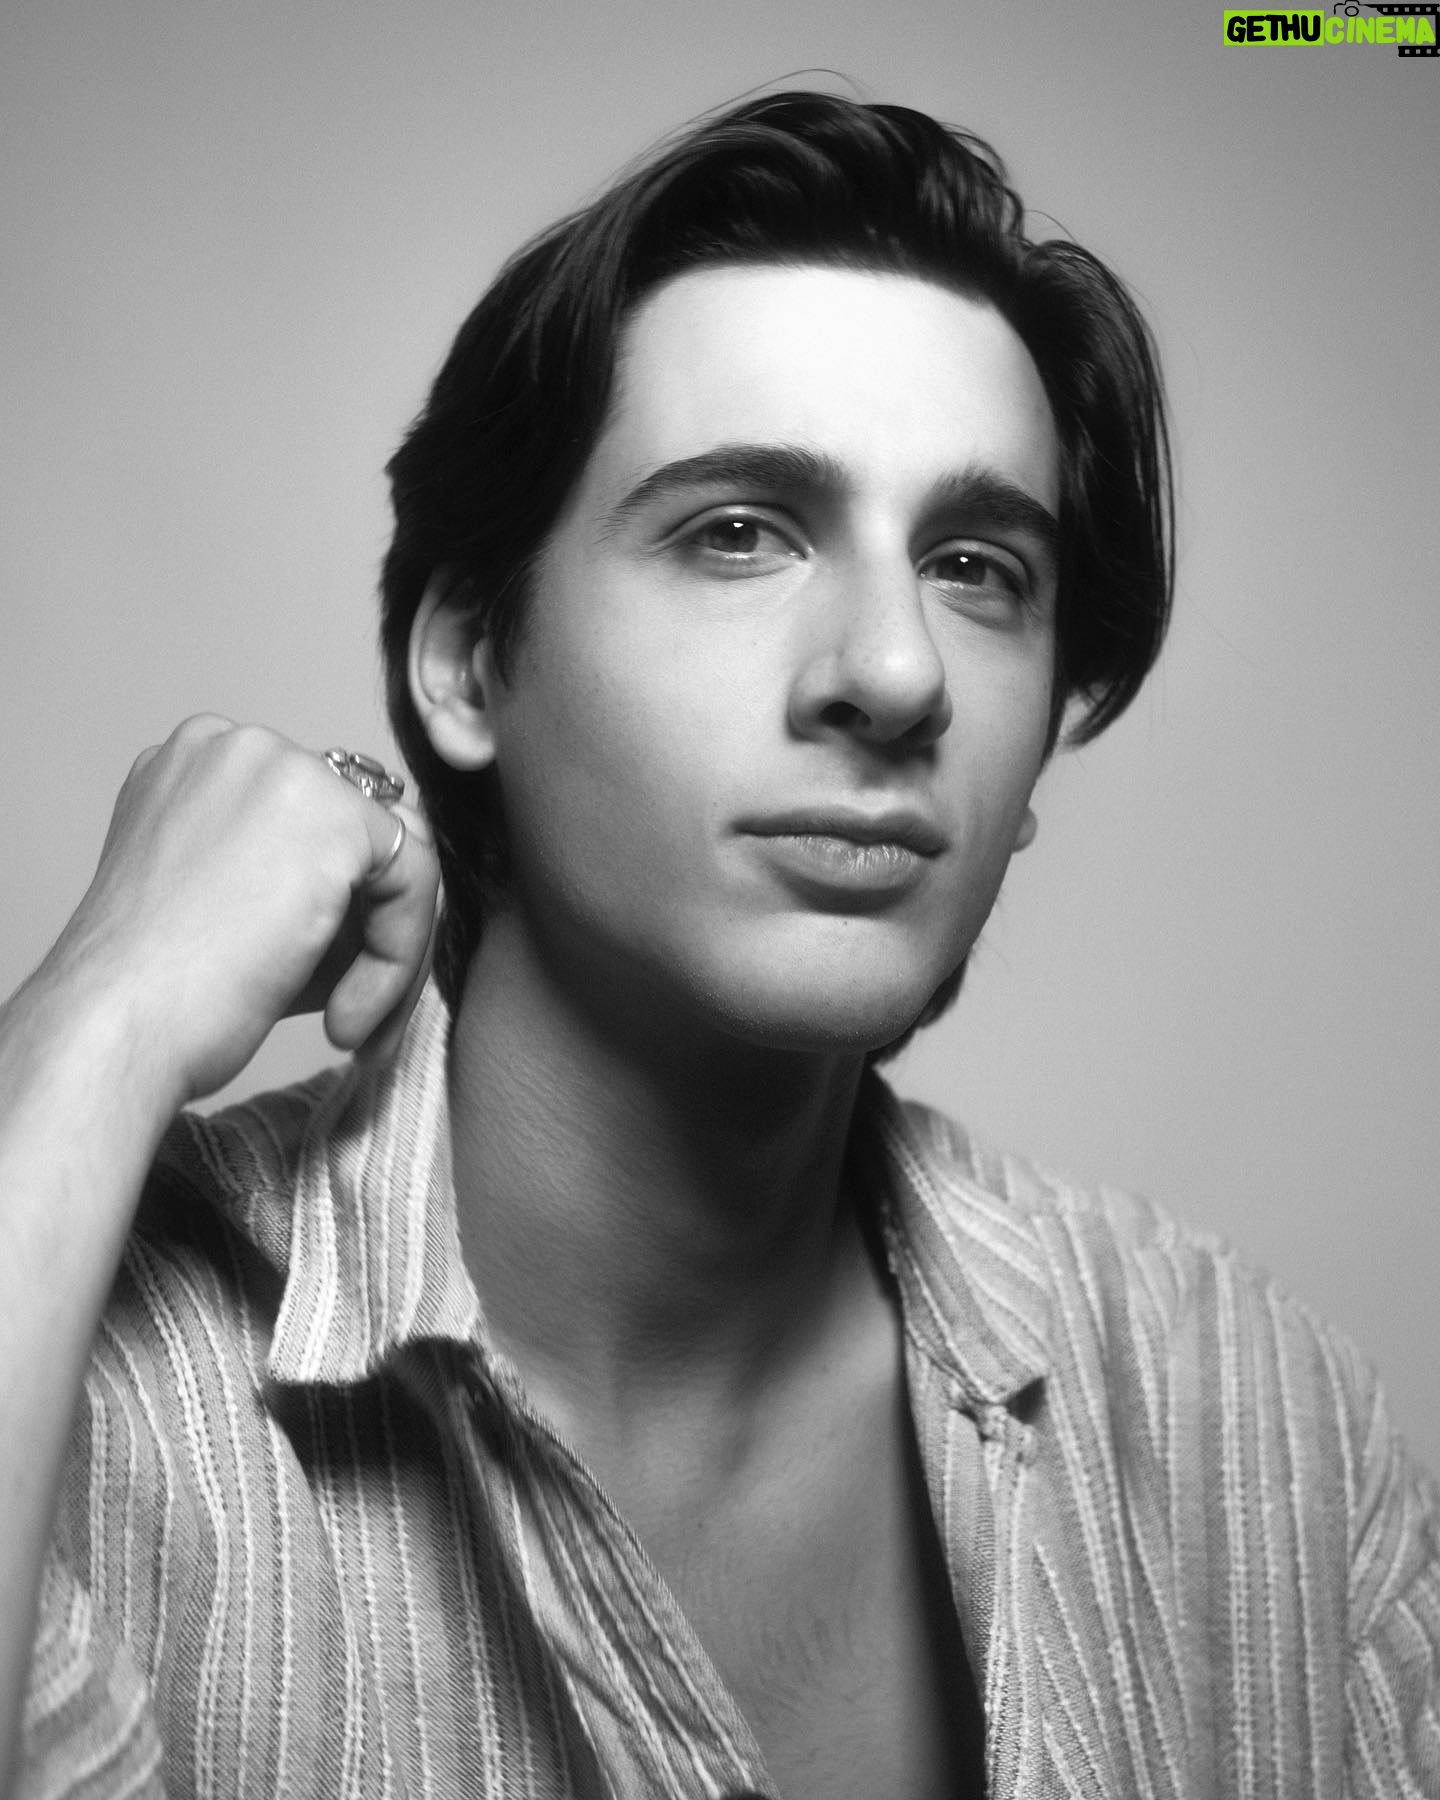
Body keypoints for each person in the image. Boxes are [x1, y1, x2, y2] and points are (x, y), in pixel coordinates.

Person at [1, 90, 1435, 1800]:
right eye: (738, 532)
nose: (896, 674)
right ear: (469, 662)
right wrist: (94, 1022)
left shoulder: (1264, 1427)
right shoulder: (93, 1394)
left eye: (980, 568)